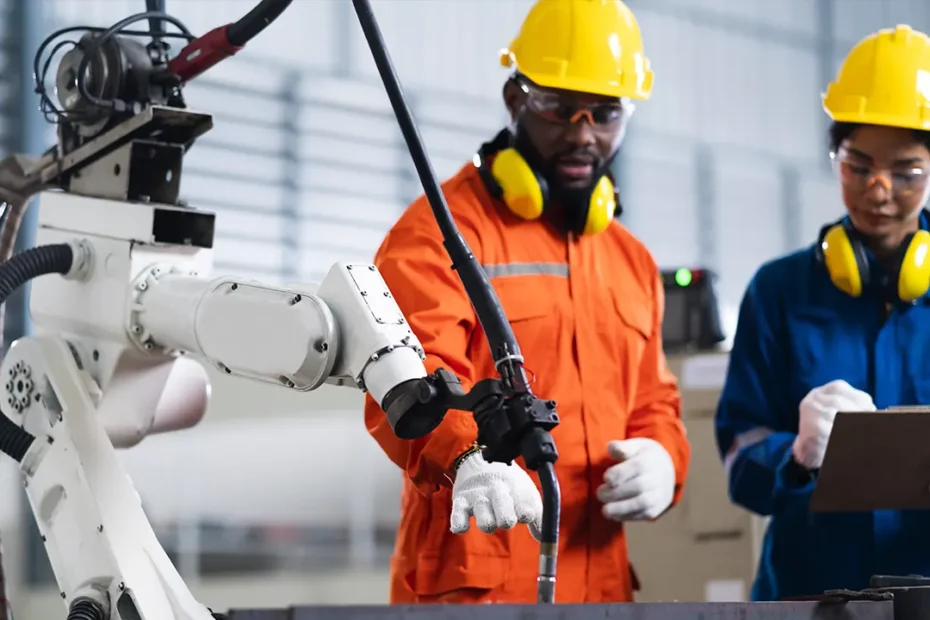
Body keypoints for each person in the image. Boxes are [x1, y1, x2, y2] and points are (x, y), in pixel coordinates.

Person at [362, 0, 691, 605]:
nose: (583, 133)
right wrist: (465, 453)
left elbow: (654, 402)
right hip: (476, 585)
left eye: (606, 113)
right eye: (560, 109)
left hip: (598, 587)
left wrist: (665, 460)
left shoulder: (631, 260)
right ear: (516, 98)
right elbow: (402, 375)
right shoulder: (440, 231)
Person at [715, 24, 930, 601]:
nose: (879, 191)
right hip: (810, 597)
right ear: (835, 155)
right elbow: (738, 461)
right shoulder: (778, 291)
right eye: (857, 165)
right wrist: (798, 454)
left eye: (906, 173)